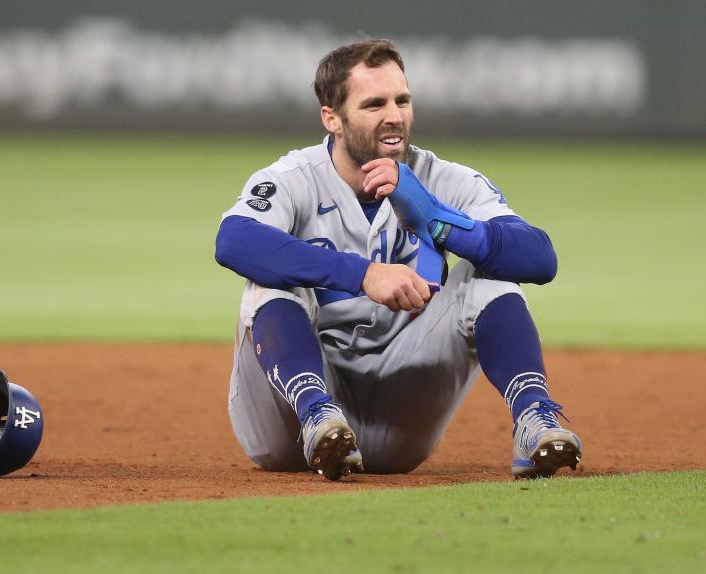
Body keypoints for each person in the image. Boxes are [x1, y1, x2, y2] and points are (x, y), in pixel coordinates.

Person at [214, 39, 583, 481]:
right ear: (332, 118)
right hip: (284, 427)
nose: (395, 116)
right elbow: (233, 241)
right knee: (269, 275)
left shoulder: (442, 179)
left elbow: (540, 258)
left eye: (402, 100)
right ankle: (318, 412)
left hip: (397, 420)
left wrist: (441, 223)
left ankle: (534, 417)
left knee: (488, 272)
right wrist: (363, 274)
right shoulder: (294, 179)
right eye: (374, 104)